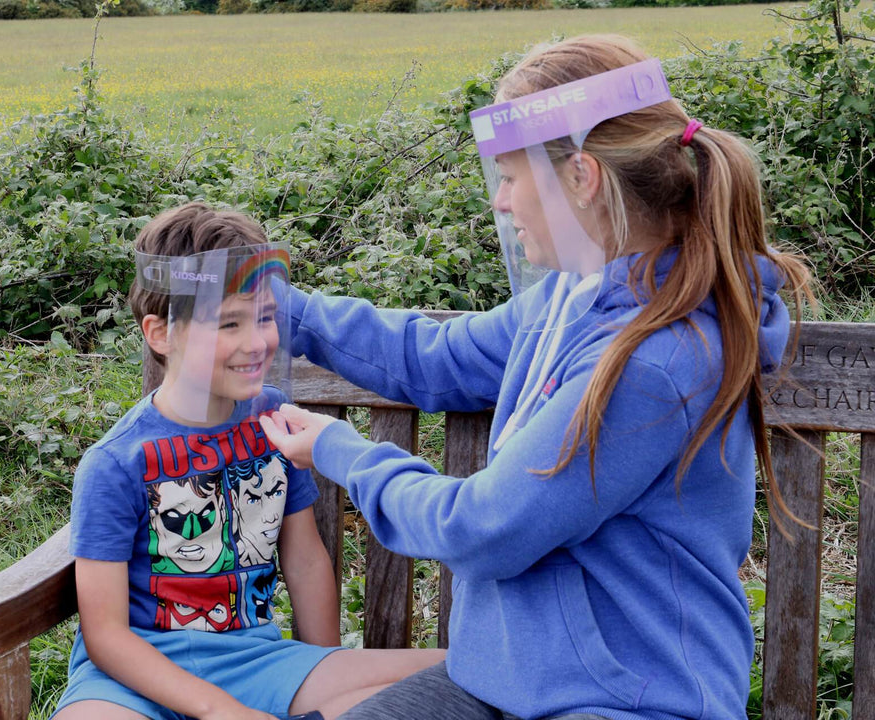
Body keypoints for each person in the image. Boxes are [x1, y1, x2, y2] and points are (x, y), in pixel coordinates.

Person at [258, 34, 815, 720]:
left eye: (511, 179)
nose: (501, 204)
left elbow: (488, 528)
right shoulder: (570, 299)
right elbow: (435, 356)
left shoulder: (659, 361)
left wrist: (338, 451)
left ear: (580, 177)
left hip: (622, 702)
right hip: (502, 684)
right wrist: (281, 308)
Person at [54, 202, 443, 720]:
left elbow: (303, 560)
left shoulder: (272, 423)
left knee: (457, 674)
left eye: (264, 317)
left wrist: (320, 666)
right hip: (135, 674)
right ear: (161, 333)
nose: (256, 342)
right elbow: (106, 636)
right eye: (229, 323)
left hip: (258, 662)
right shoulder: (116, 463)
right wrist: (218, 712)